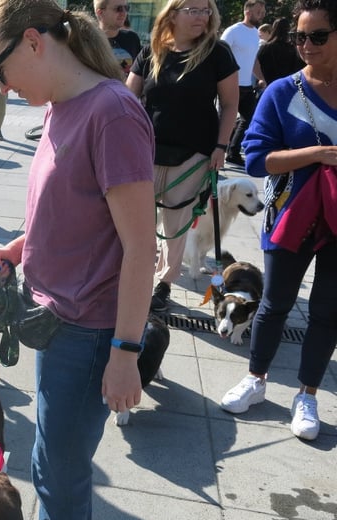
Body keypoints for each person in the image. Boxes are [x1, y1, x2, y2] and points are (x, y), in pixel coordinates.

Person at [0, 1, 156, 520]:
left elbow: (140, 247)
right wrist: (17, 247)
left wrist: (126, 352)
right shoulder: (59, 106)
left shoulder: (112, 114)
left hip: (90, 332)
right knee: (52, 464)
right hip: (56, 322)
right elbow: (68, 213)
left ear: (33, 42)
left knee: (60, 477)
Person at [219, 0, 337, 442]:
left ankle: (306, 393)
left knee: (328, 312)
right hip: (291, 213)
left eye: (318, 36)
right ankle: (256, 378)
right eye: (299, 37)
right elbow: (254, 158)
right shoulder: (284, 91)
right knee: (274, 305)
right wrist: (319, 154)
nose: (305, 45)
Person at [126, 0, 239, 312]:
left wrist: (220, 147)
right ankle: (133, 277)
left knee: (176, 226)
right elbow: (128, 96)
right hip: (146, 152)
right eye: (194, 10)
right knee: (138, 222)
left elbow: (230, 104)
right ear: (172, 13)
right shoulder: (152, 51)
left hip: (193, 155)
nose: (202, 17)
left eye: (206, 11)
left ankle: (163, 284)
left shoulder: (218, 53)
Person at [222, 0, 266, 166]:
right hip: (230, 84)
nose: (261, 15)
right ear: (247, 12)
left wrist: (262, 78)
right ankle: (219, 148)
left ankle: (232, 151)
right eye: (258, 12)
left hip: (247, 85)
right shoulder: (233, 31)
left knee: (250, 118)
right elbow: (221, 55)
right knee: (227, 118)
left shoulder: (255, 33)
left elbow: (253, 60)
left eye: (262, 12)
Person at [94, 0, 141, 79]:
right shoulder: (88, 41)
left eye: (126, 8)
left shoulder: (132, 38)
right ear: (100, 13)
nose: (124, 13)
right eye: (118, 9)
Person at [255, 17, 305, 86]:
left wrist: (262, 79)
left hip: (270, 84)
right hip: (290, 84)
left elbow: (256, 64)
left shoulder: (266, 47)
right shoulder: (292, 48)